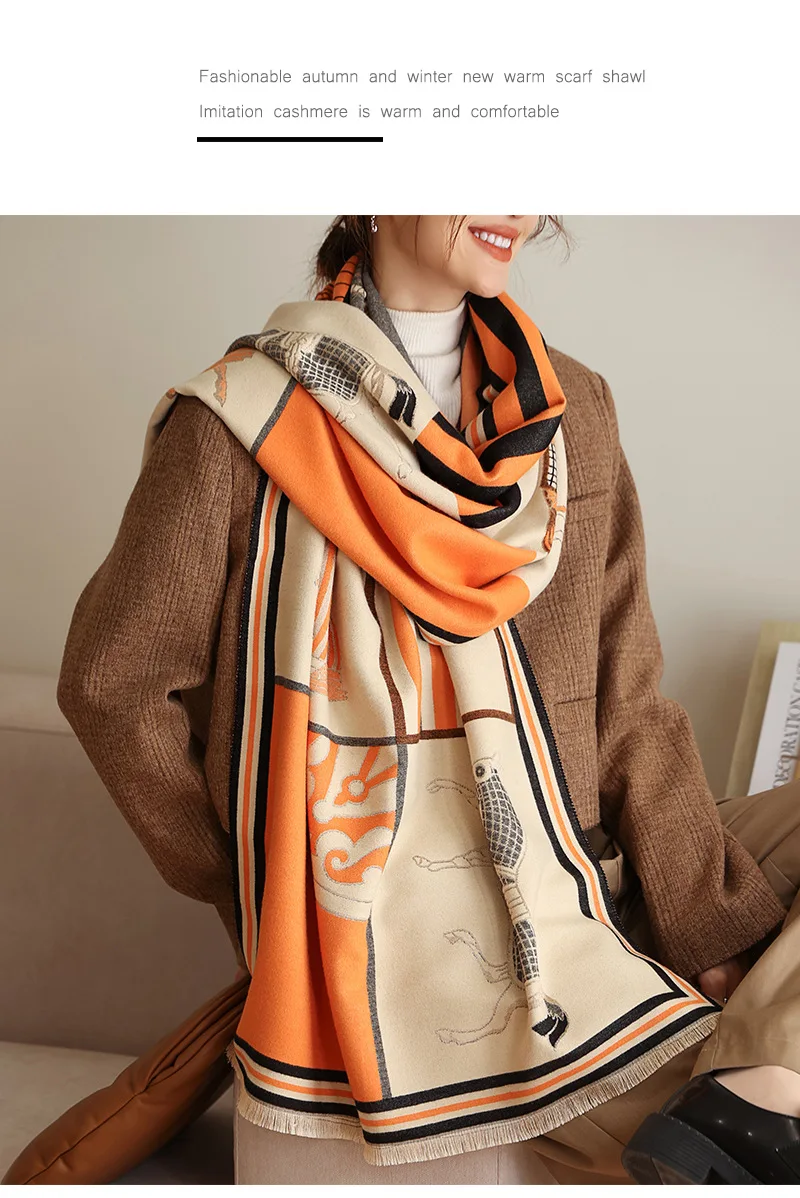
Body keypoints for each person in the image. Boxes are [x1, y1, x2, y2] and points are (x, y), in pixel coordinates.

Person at [56, 215, 800, 1185]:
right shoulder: (241, 420)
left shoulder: (571, 409)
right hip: (411, 914)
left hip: (589, 863)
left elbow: (627, 703)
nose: (518, 208)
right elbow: (113, 685)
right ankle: (745, 1083)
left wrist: (709, 929)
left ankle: (753, 1086)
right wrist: (261, 882)